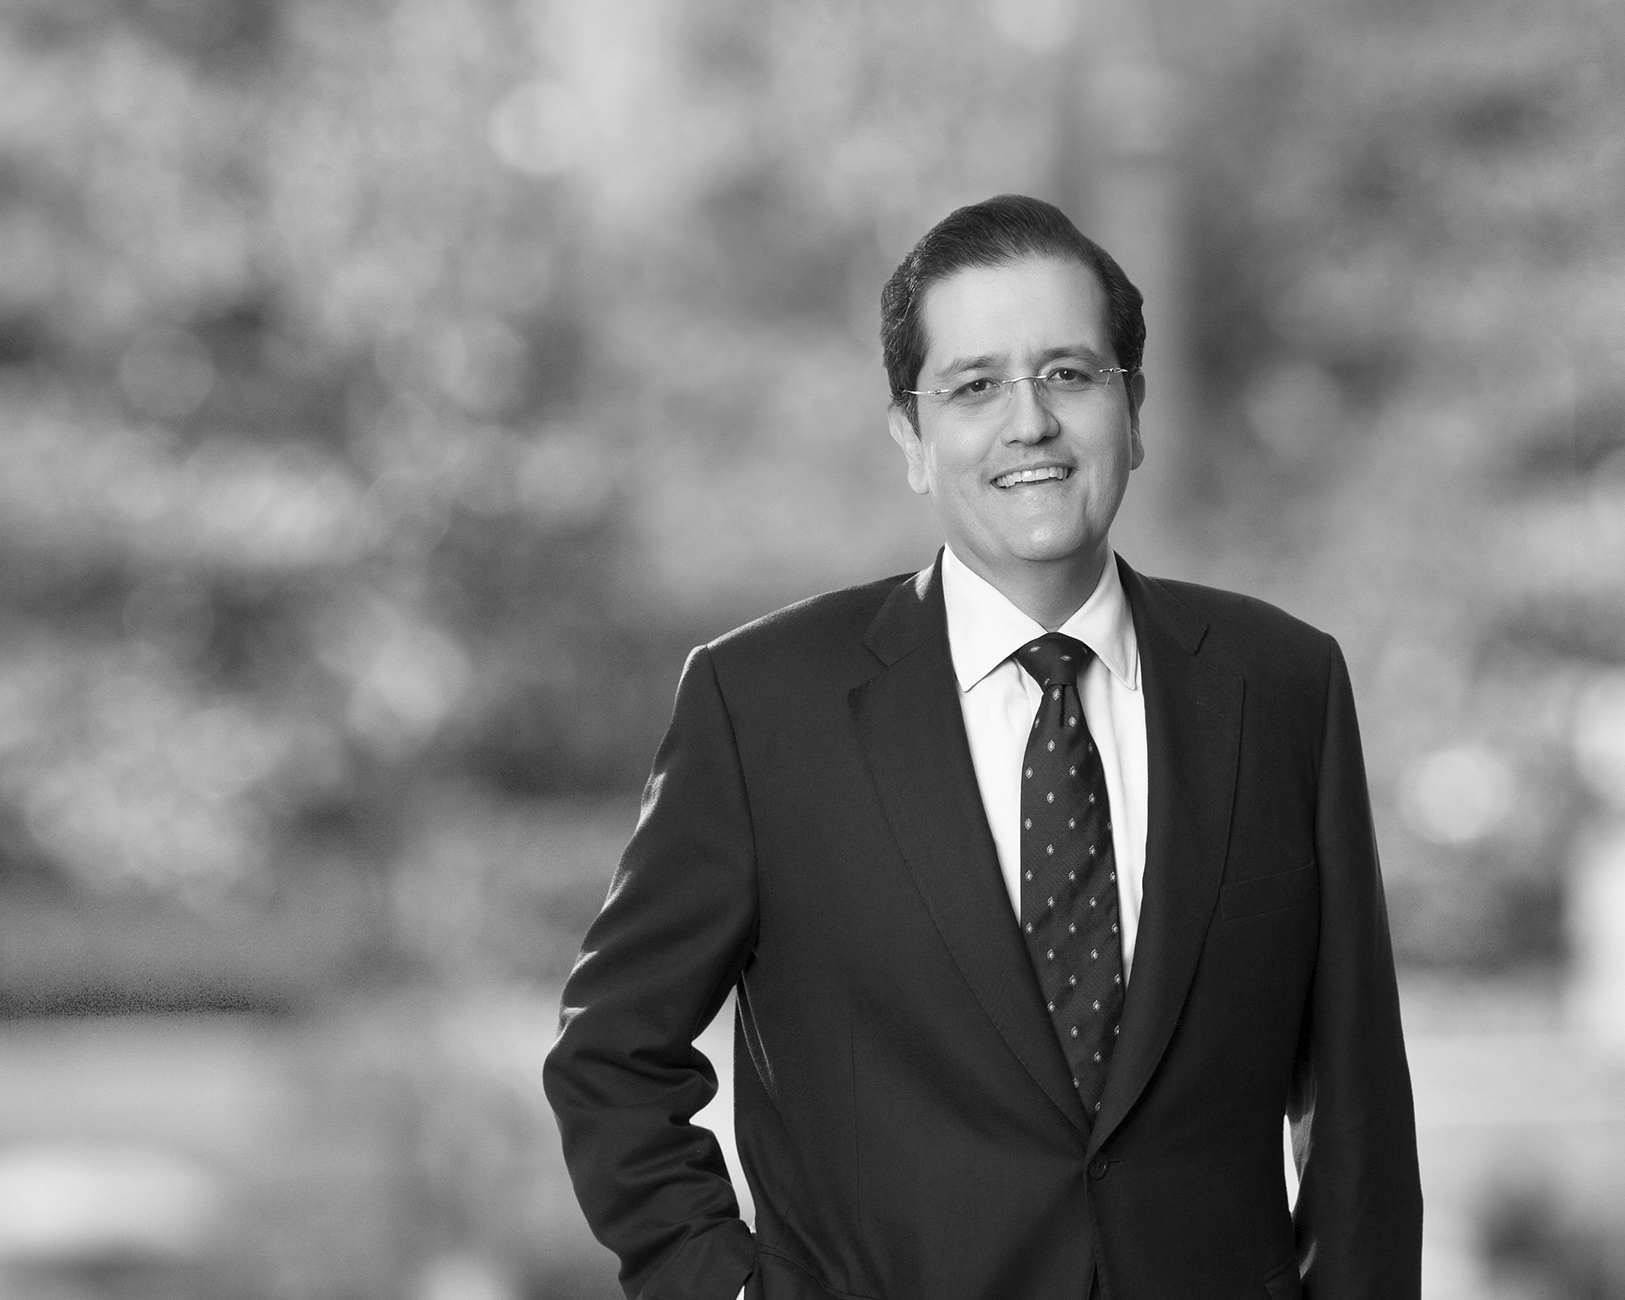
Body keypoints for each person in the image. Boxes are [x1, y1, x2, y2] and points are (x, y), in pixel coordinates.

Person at [543, 194, 1422, 1300]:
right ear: (912, 439)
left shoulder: (1282, 685)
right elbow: (611, 1055)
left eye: (1068, 373)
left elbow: (1355, 1107)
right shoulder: (761, 704)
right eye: (973, 386)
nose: (1029, 423)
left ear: (1133, 408)